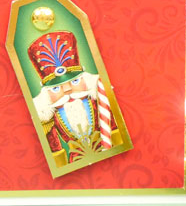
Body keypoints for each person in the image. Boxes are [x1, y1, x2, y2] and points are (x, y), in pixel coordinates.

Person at [29, 31, 121, 164]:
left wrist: (117, 146)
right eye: (56, 88)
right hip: (76, 162)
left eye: (75, 81)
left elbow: (114, 127)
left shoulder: (100, 102)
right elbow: (55, 149)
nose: (67, 90)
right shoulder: (49, 119)